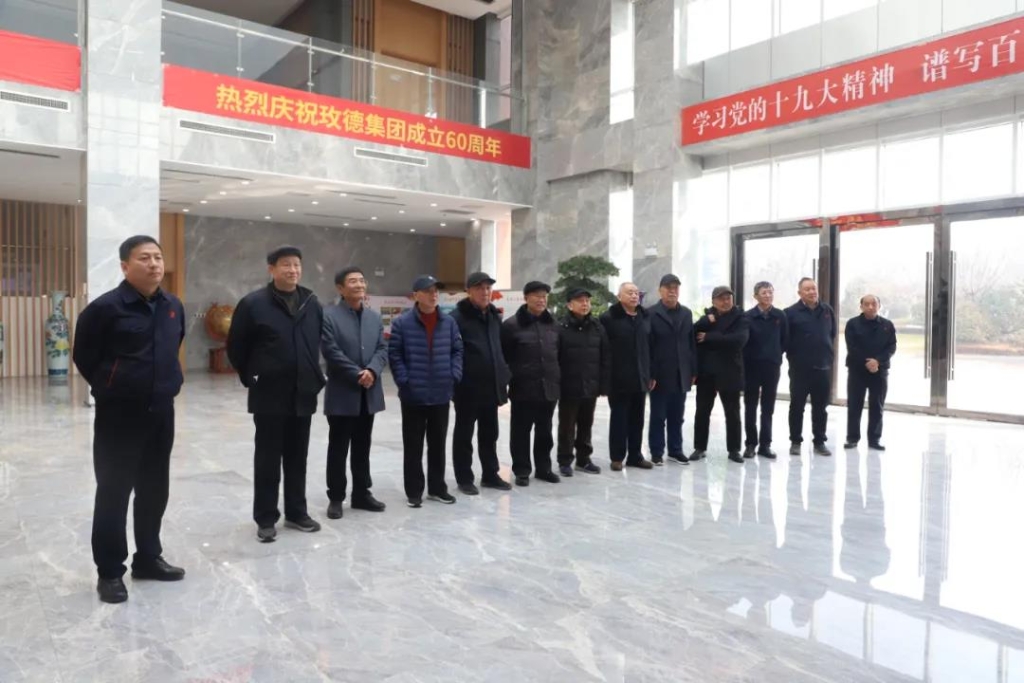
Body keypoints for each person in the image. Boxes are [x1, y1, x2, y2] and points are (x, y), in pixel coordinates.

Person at [72, 235, 186, 604]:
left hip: (161, 411)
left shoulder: (172, 306)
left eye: (158, 257)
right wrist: (112, 385)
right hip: (119, 415)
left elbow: (173, 346)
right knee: (114, 491)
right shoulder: (105, 309)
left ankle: (148, 558)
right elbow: (84, 355)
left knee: (154, 489)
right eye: (144, 258)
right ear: (125, 266)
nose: (154, 264)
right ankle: (109, 572)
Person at [227, 246, 326, 543]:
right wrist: (254, 377)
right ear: (271, 269)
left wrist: (314, 374)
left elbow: (316, 341)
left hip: (303, 392)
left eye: (297, 265)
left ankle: (297, 512)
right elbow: (236, 346)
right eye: (286, 265)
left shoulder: (311, 302)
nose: (293, 270)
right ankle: (266, 517)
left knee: (298, 457)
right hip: (269, 394)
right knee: (268, 459)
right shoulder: (253, 303)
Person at [388, 275, 463, 507]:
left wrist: (453, 374)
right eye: (428, 291)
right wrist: (404, 380)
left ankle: (437, 488)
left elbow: (457, 350)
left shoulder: (448, 322)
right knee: (413, 445)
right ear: (416, 295)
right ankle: (414, 491)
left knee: (438, 444)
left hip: (441, 392)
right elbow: (395, 355)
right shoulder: (402, 323)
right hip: (413, 394)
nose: (434, 295)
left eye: (436, 291)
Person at [320, 266, 388, 519]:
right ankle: (336, 497)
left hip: (368, 394)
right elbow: (331, 351)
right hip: (343, 392)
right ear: (340, 288)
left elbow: (382, 348)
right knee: (338, 447)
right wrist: (358, 374)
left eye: (361, 280)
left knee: (363, 445)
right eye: (352, 281)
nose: (359, 285)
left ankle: (361, 493)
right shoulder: (328, 316)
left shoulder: (373, 318)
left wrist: (372, 370)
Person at [449, 272, 513, 495]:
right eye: (479, 288)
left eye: (488, 288)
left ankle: (490, 474)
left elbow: (499, 348)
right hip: (467, 388)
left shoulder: (494, 316)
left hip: (491, 387)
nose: (485, 292)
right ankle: (464, 478)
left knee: (490, 433)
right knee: (464, 435)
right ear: (468, 291)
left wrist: (504, 374)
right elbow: (452, 353)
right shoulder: (457, 318)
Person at [501, 281, 562, 486]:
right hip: (523, 388)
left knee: (545, 431)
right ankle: (522, 470)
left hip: (549, 387)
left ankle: (544, 468)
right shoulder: (511, 326)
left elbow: (559, 354)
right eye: (537, 295)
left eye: (544, 296)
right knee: (521, 431)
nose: (541, 300)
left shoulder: (554, 324)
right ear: (526, 298)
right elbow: (504, 358)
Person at [691, 286, 750, 463]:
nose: (725, 302)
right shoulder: (707, 318)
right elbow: (693, 335)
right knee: (702, 411)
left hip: (730, 371)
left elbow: (739, 340)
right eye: (721, 299)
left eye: (728, 298)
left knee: (732, 413)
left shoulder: (741, 318)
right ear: (713, 301)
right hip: (706, 372)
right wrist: (707, 324)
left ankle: (734, 450)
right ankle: (699, 447)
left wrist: (710, 337)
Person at [556, 287, 610, 477]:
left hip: (591, 384)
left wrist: (603, 384)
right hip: (568, 386)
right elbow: (556, 358)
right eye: (580, 301)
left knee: (586, 424)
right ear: (570, 305)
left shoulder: (597, 327)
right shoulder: (561, 327)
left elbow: (605, 357)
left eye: (587, 300)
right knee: (567, 425)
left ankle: (584, 459)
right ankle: (564, 460)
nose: (585, 304)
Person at [600, 282, 654, 471]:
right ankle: (617, 457)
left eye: (636, 293)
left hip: (641, 376)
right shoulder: (608, 318)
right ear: (619, 296)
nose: (634, 296)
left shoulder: (644, 316)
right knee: (619, 418)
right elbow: (603, 350)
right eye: (629, 292)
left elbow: (650, 347)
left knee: (637, 419)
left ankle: (635, 456)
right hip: (618, 377)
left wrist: (651, 373)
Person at [647, 274, 697, 466]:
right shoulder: (651, 313)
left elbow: (691, 344)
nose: (672, 291)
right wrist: (650, 373)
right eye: (668, 288)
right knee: (658, 416)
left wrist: (693, 370)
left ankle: (675, 450)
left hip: (681, 372)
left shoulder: (686, 313)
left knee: (677, 416)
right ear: (660, 290)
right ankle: (657, 451)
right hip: (660, 374)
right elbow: (648, 346)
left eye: (675, 288)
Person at [785, 277, 838, 457]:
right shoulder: (790, 313)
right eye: (807, 289)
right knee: (797, 406)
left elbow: (831, 334)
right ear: (799, 293)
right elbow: (785, 339)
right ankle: (795, 441)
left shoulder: (827, 310)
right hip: (800, 369)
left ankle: (819, 441)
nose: (811, 292)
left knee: (821, 407)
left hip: (823, 367)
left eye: (813, 288)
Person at [843, 294, 897, 451]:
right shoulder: (852, 324)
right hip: (857, 371)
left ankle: (874, 439)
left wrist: (877, 361)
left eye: (874, 304)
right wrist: (868, 363)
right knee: (854, 405)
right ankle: (852, 438)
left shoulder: (887, 325)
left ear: (879, 306)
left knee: (877, 405)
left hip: (879, 371)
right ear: (861, 306)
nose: (870, 307)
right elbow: (852, 347)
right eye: (866, 304)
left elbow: (891, 346)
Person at [743, 281, 789, 459]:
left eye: (770, 292)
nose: (768, 296)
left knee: (768, 407)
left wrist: (775, 354)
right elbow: (743, 342)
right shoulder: (748, 317)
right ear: (755, 296)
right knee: (750, 406)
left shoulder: (780, 316)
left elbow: (785, 340)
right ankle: (750, 444)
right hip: (751, 367)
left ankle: (765, 445)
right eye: (764, 293)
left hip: (772, 366)